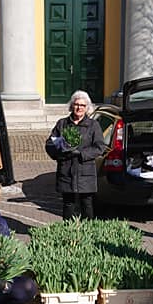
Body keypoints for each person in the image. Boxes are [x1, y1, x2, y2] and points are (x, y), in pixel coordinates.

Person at [45, 90, 106, 219]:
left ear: (87, 108)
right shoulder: (62, 124)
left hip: (85, 171)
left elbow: (99, 147)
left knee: (87, 204)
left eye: (83, 105)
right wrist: (60, 153)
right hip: (66, 170)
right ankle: (69, 234)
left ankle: (88, 234)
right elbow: (50, 144)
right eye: (76, 104)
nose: (79, 108)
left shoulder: (93, 125)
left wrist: (81, 153)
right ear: (72, 105)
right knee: (68, 204)